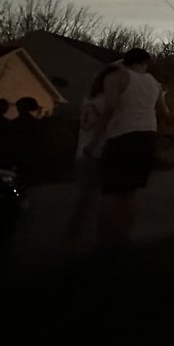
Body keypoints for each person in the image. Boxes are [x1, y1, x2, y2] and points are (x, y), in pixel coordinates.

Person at [98, 48, 169, 248]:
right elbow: (164, 110)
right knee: (130, 192)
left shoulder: (118, 76)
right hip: (146, 136)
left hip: (122, 135)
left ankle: (103, 240)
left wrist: (96, 138)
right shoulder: (153, 82)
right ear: (145, 62)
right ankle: (123, 238)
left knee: (111, 191)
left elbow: (110, 107)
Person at [66, 64, 118, 244]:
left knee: (85, 194)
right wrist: (93, 145)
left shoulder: (88, 98)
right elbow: (102, 124)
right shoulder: (105, 101)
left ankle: (76, 230)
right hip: (95, 152)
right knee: (93, 196)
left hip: (80, 152)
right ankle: (82, 235)